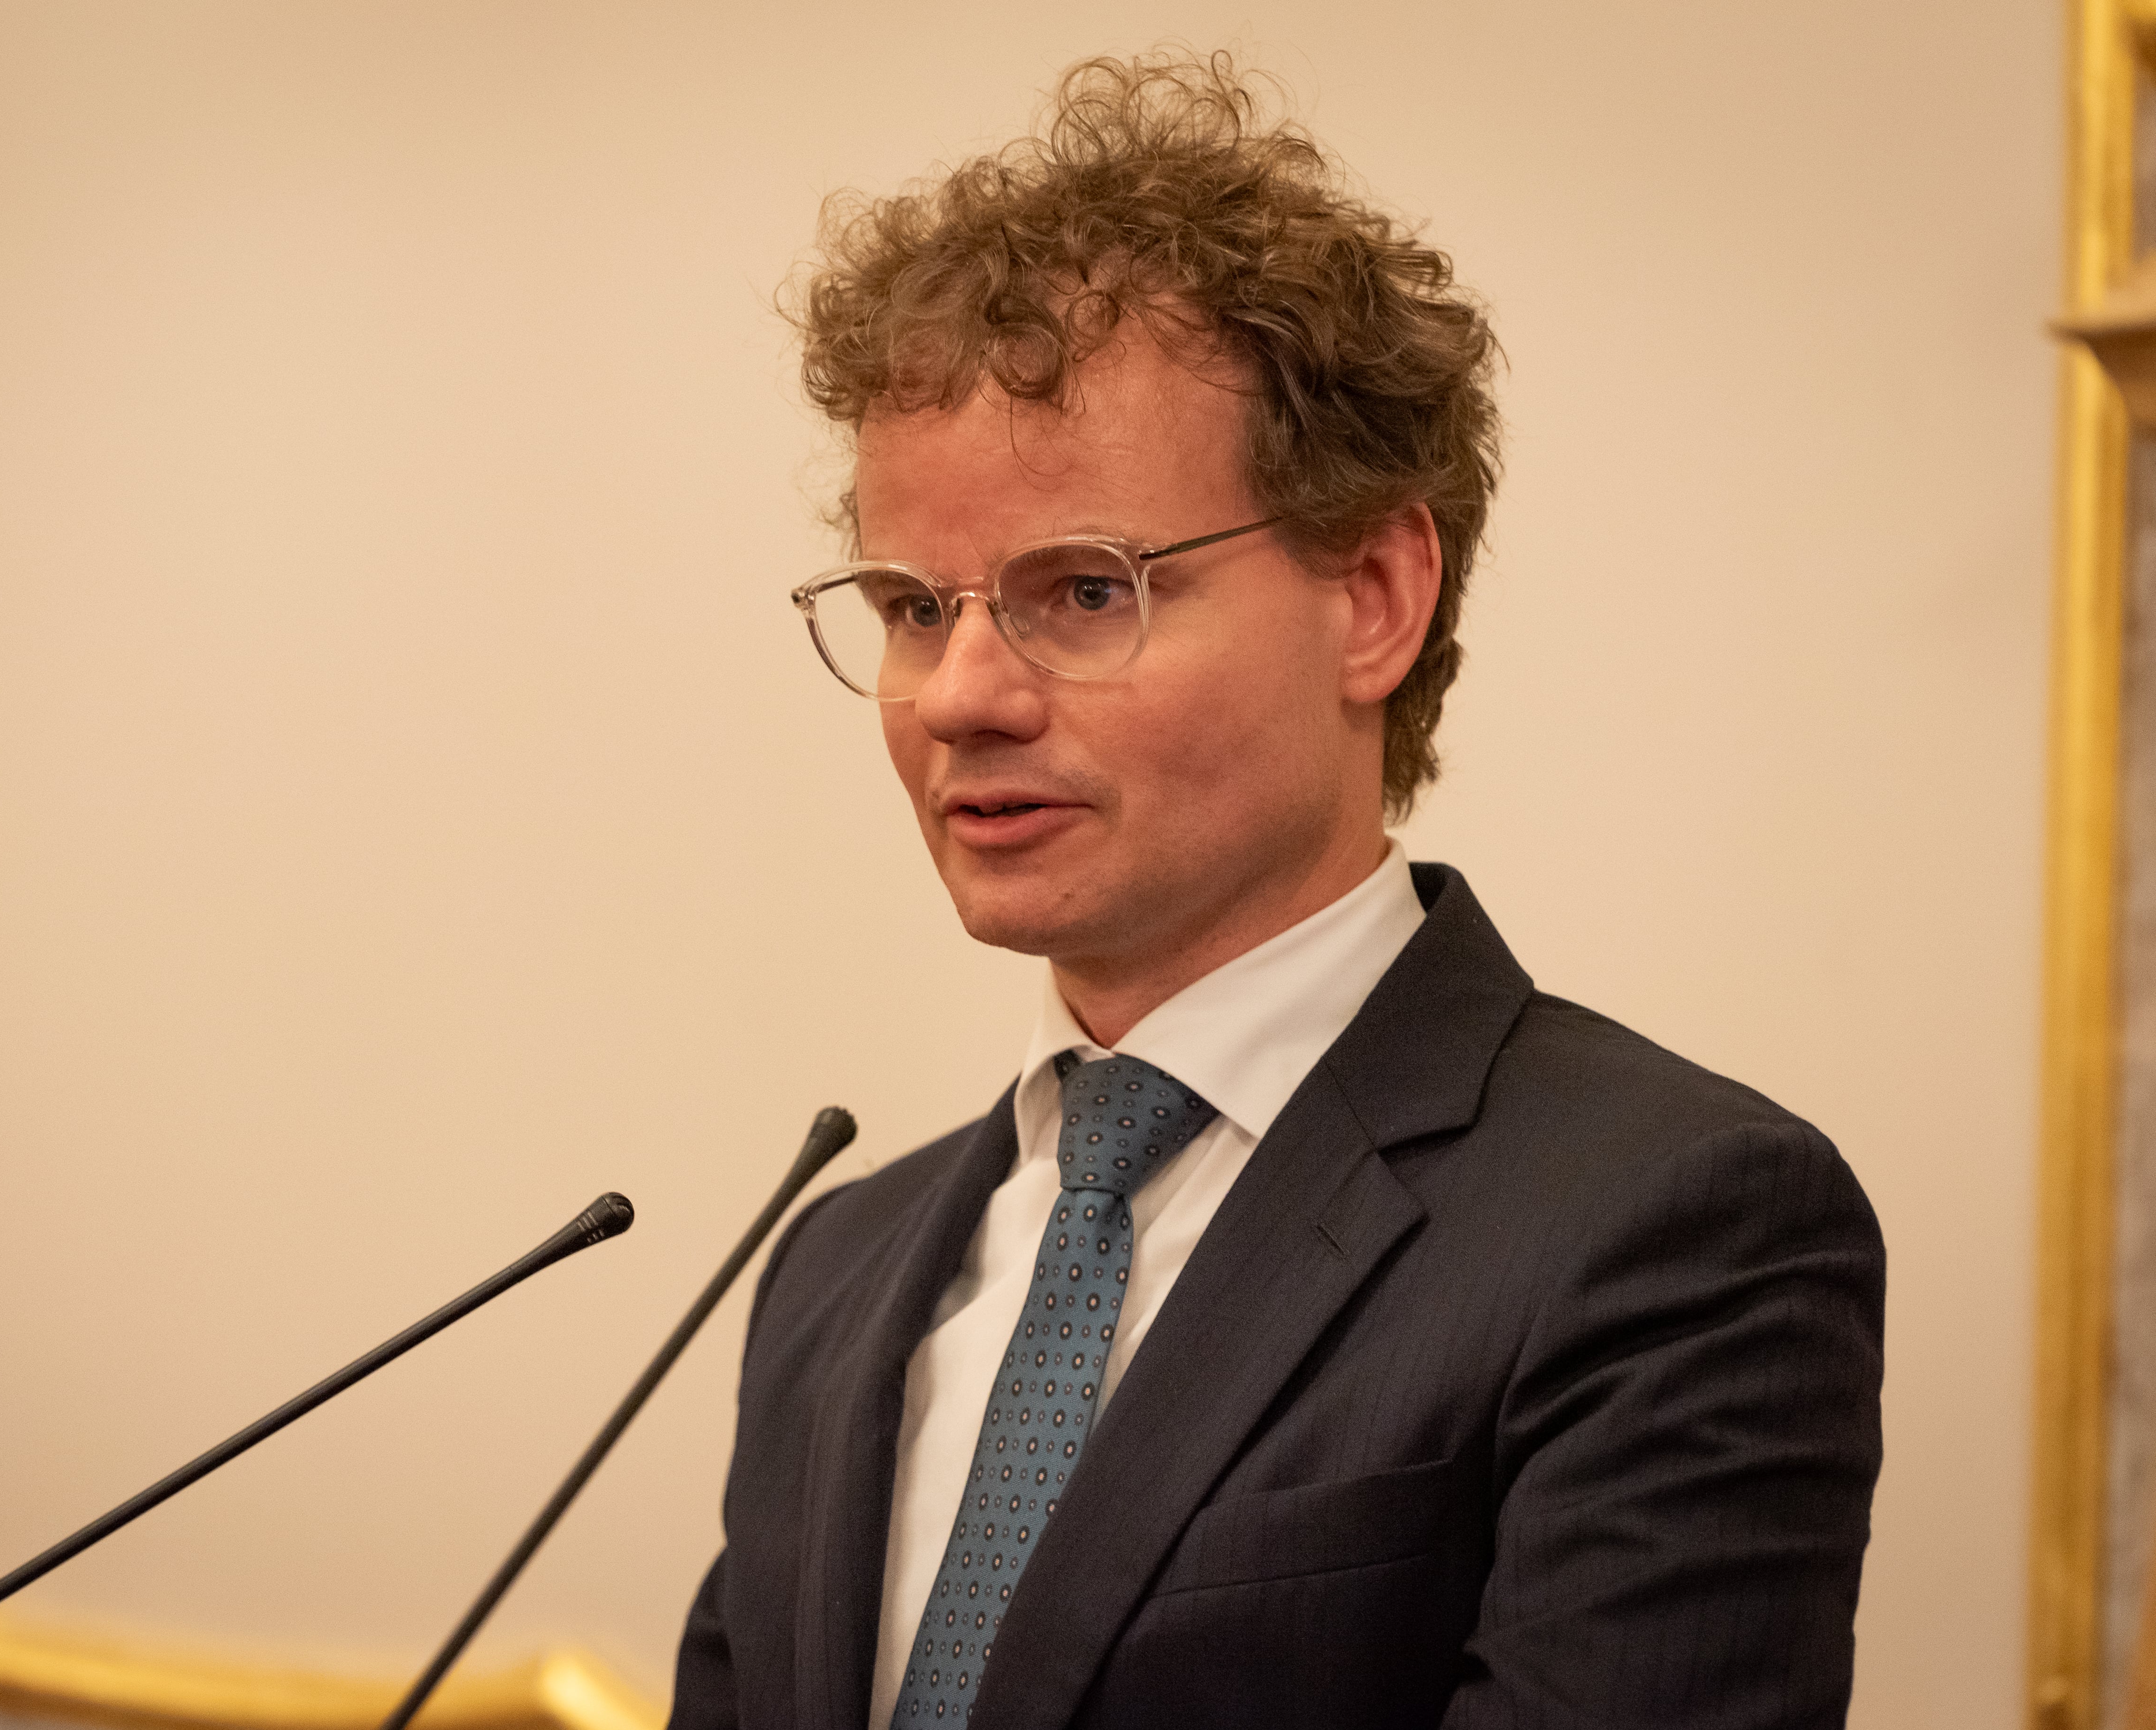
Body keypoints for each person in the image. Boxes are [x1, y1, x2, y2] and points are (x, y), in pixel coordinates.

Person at [672, 52, 1882, 1730]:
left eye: (1080, 591)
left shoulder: (1668, 1230)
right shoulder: (834, 1265)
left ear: (1372, 596)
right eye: (910, 608)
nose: (960, 695)